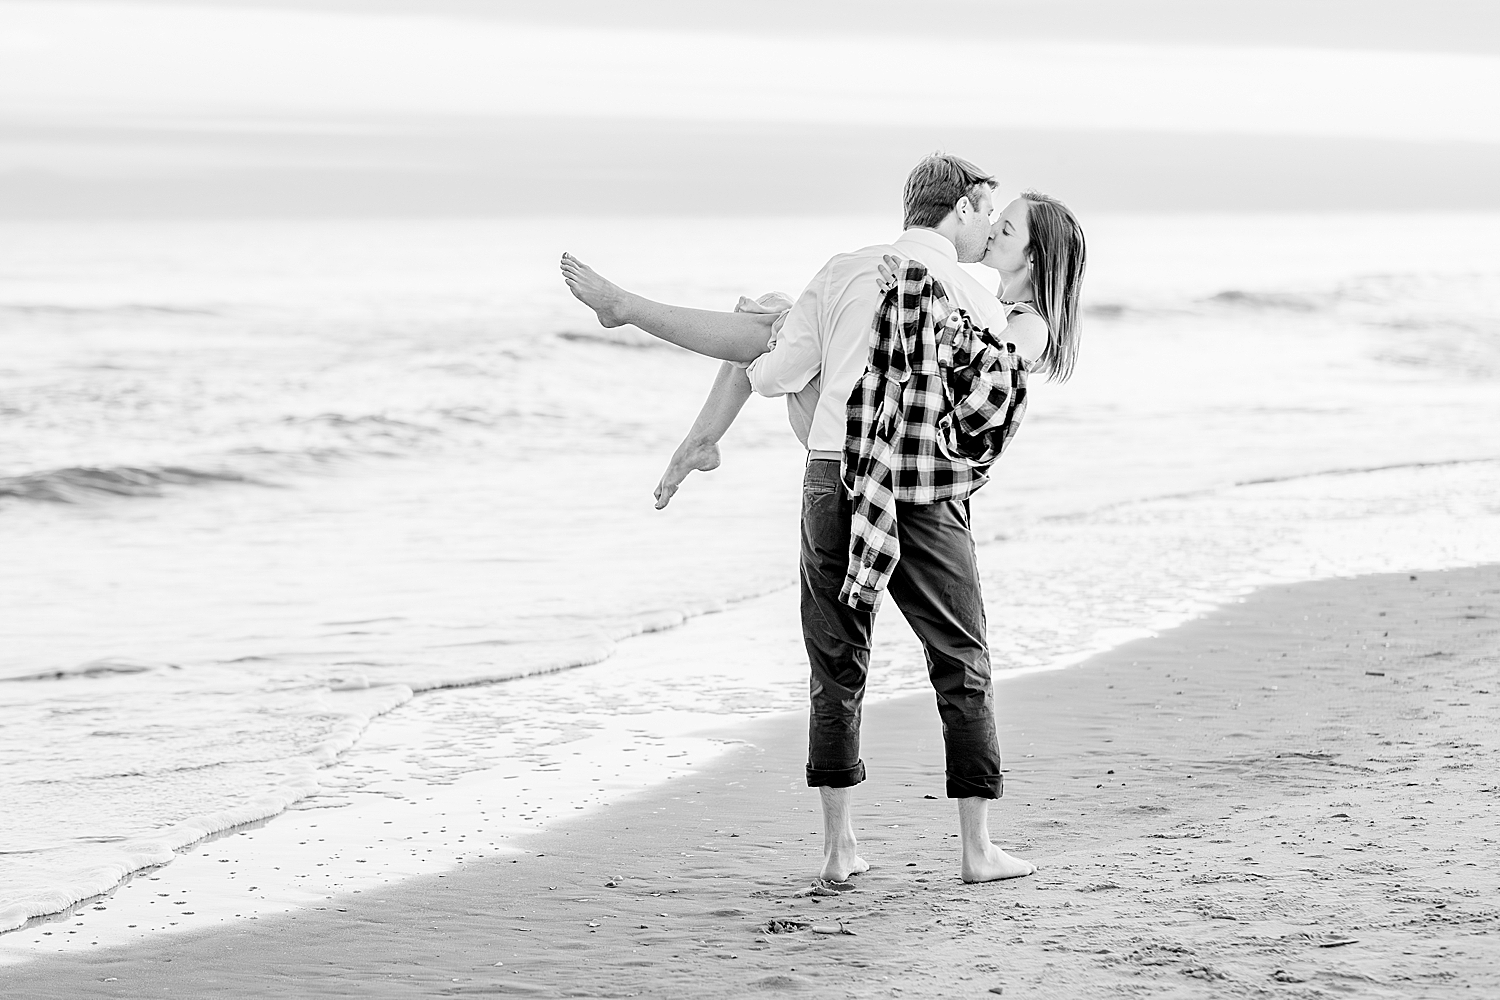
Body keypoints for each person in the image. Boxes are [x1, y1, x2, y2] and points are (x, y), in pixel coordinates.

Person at [560, 154, 1086, 883]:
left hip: (833, 475)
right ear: (962, 208)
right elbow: (971, 401)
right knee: (961, 663)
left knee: (836, 668)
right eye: (989, 215)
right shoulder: (974, 298)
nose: (992, 228)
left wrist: (800, 334)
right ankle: (976, 849)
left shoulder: (847, 270)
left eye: (1007, 226)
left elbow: (770, 375)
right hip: (918, 488)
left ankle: (840, 850)